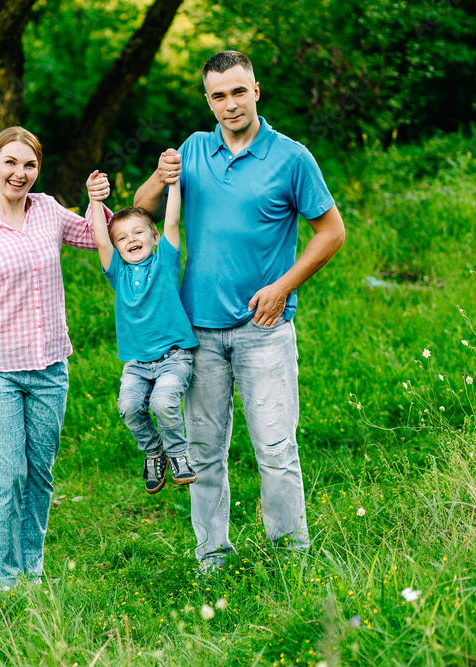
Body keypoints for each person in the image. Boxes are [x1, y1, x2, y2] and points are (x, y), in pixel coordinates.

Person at [134, 50, 346, 572]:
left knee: (275, 449)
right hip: (197, 333)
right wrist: (161, 179)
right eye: (218, 95)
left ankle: (290, 557)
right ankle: (213, 557)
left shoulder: (291, 158)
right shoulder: (193, 150)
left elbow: (332, 232)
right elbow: (140, 215)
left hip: (263, 331)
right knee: (204, 453)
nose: (230, 104)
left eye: (238, 91)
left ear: (256, 91)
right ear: (209, 102)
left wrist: (284, 285)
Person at [0, 126, 111, 589]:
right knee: (6, 475)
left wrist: (95, 201)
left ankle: (31, 572)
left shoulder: (49, 211)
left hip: (51, 367)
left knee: (39, 476)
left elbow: (99, 238)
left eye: (29, 164)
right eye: (10, 162)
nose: (20, 173)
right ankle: (5, 581)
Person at [88, 178, 198, 494]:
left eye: (138, 232)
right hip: (137, 364)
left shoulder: (164, 260)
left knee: (164, 402)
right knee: (128, 407)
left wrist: (173, 185)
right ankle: (154, 452)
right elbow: (101, 241)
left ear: (155, 236)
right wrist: (95, 201)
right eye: (122, 237)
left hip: (174, 357)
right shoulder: (118, 273)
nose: (131, 239)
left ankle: (178, 454)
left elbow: (174, 220)